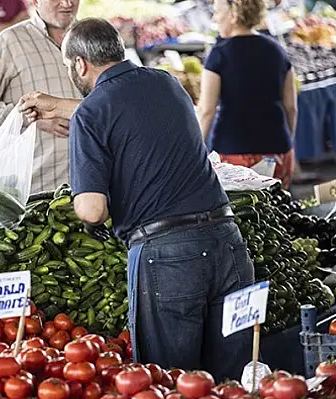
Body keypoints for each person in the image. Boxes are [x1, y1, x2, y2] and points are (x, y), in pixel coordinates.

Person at [19, 18, 254, 380]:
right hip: (228, 244)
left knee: (170, 380)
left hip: (169, 258)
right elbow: (124, 109)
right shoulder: (166, 82)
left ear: (80, 64)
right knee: (234, 381)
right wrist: (58, 106)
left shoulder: (91, 114)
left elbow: (92, 209)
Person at [0, 0, 82, 193]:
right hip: (37, 191)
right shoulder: (9, 42)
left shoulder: (92, 39)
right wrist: (26, 118)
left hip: (92, 186)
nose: (67, 3)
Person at [197, 0, 298, 188]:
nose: (214, 18)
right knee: (280, 211)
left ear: (234, 14)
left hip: (234, 154)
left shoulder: (219, 54)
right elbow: (291, 107)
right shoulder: (277, 50)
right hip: (278, 151)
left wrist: (194, 150)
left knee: (244, 214)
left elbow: (206, 110)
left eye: (218, 12)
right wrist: (286, 142)